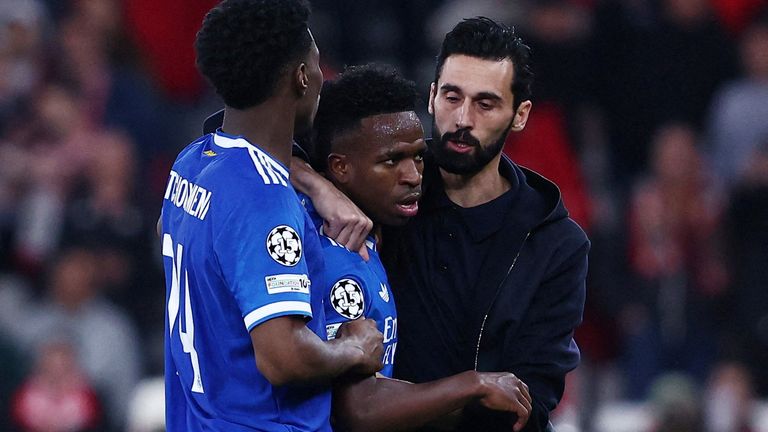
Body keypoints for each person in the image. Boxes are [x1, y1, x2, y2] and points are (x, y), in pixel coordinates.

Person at [159, 1, 383, 431]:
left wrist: (311, 182)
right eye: (317, 64)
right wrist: (354, 348)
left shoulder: (192, 162)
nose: (322, 77)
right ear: (302, 76)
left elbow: (177, 231)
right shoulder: (264, 198)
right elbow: (284, 357)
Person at [379, 18, 589, 431]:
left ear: (520, 114)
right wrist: (320, 186)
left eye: (485, 104)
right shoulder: (381, 191)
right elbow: (257, 139)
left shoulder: (557, 245)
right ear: (432, 95)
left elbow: (528, 402)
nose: (462, 119)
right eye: (452, 97)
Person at [304, 63, 532, 432]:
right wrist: (472, 386)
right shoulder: (338, 258)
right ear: (340, 168)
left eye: (418, 156)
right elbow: (356, 409)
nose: (412, 176)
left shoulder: (373, 231)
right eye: (391, 161)